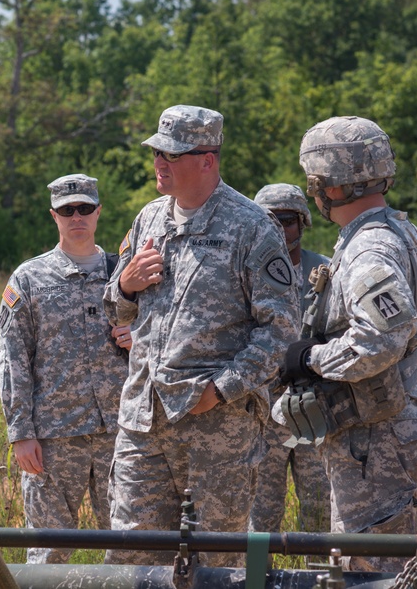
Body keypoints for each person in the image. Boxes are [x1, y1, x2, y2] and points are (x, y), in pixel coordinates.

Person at [103, 104, 299, 567]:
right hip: (142, 420)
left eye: (172, 155)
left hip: (216, 427)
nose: (159, 163)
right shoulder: (148, 219)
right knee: (133, 557)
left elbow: (282, 328)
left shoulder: (252, 227)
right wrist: (125, 283)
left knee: (213, 562)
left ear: (207, 159)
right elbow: (116, 306)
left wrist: (222, 389)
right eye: (157, 153)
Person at [281, 115, 417, 572]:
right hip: (396, 428)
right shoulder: (404, 233)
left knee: (368, 569)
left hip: (376, 441)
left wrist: (311, 359)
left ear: (328, 185)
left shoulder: (368, 248)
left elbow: (380, 339)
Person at [0, 173, 132, 564]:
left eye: (85, 209)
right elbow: (12, 358)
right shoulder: (30, 278)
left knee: (131, 544)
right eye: (67, 210)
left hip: (122, 431)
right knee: (49, 548)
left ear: (98, 212)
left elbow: (166, 332)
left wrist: (139, 334)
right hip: (54, 437)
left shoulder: (124, 273)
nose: (77, 217)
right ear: (53, 215)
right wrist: (20, 431)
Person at [250, 183, 331, 534]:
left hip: (316, 409)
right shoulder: (246, 274)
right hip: (265, 413)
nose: (278, 230)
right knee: (262, 513)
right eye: (268, 221)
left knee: (318, 509)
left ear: (302, 222)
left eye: (285, 220)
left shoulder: (326, 272)